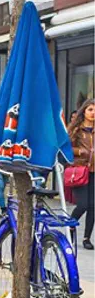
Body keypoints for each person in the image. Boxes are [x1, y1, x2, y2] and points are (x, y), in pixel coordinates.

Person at [69, 98, 95, 250]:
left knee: (93, 206)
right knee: (83, 205)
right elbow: (66, 148)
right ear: (84, 111)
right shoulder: (76, 129)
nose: (93, 113)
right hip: (80, 171)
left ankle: (87, 238)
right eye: (90, 109)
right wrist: (80, 151)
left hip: (94, 171)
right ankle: (71, 225)